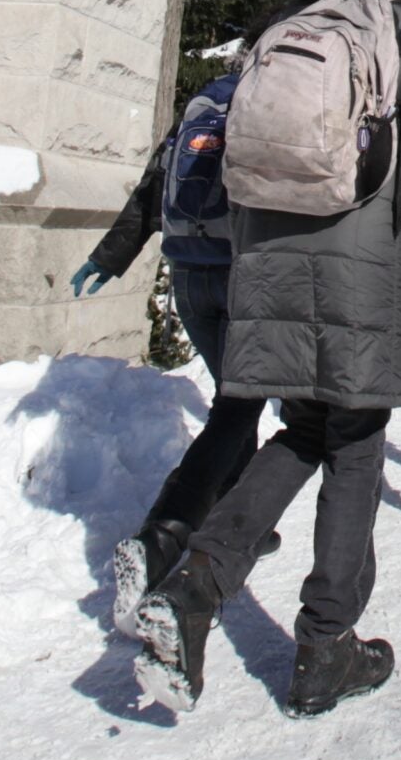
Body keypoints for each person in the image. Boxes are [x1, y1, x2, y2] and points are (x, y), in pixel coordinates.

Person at [131, 0, 401, 719]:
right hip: (366, 267)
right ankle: (325, 644)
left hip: (269, 260)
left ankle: (194, 587)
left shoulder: (288, 25)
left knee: (307, 429)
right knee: (354, 439)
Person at [67, 70, 278, 636]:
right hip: (243, 273)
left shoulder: (204, 102)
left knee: (236, 404)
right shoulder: (277, 96)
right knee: (237, 408)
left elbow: (153, 186)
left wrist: (109, 257)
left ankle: (239, 518)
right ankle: (161, 536)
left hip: (188, 274)